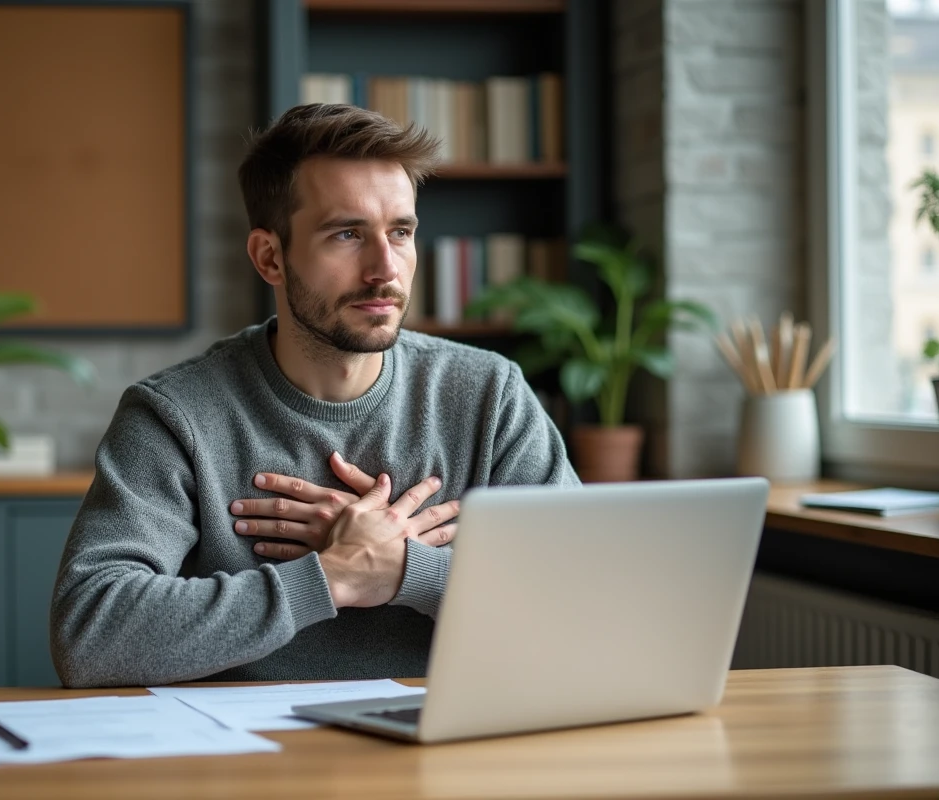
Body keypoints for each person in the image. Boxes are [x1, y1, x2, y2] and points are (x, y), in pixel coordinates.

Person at [50, 104, 580, 688]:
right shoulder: (175, 416)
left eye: (401, 232)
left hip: (439, 753)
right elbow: (90, 635)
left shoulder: (488, 396)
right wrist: (332, 577)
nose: (386, 269)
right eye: (347, 234)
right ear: (270, 257)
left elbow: (583, 607)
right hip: (247, 764)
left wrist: (407, 572)